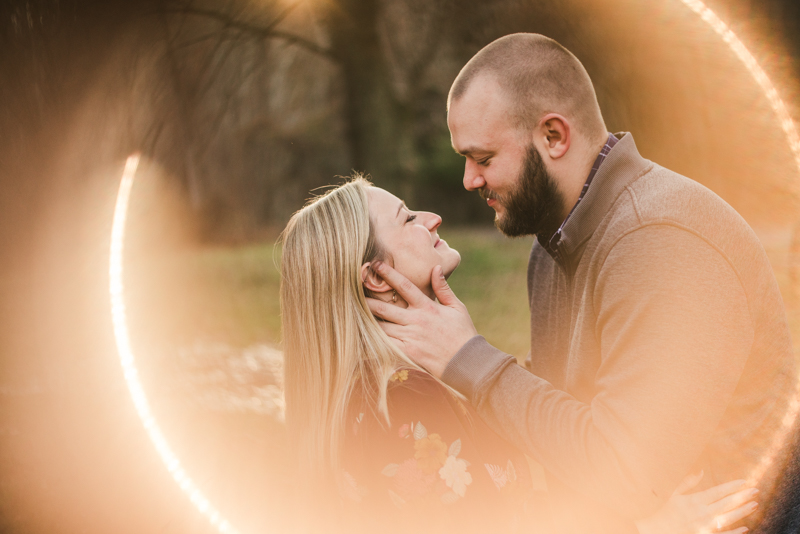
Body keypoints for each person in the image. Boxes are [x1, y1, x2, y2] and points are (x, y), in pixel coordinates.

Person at [365, 33, 797, 534]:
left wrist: (469, 357)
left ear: (553, 137)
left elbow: (626, 474)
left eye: (483, 158)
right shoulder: (552, 250)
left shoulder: (659, 240)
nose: (468, 180)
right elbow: (561, 444)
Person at [279, 176, 758, 534]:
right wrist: (651, 527)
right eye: (407, 218)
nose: (432, 218)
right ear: (377, 277)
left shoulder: (384, 389)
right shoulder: (406, 403)